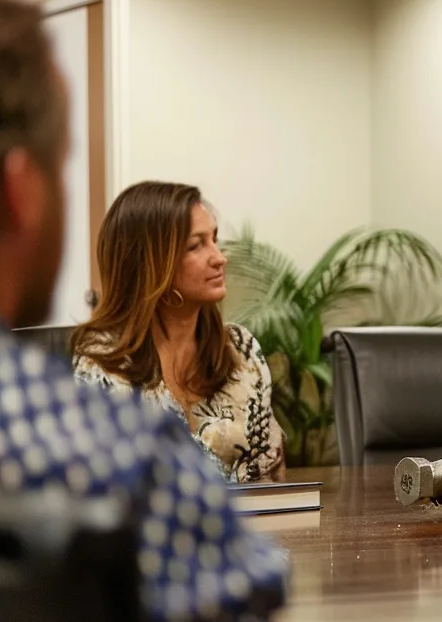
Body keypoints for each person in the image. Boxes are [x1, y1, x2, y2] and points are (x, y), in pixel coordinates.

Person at [0, 0, 286, 622]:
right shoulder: (128, 465)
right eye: (60, 163)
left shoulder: (236, 357)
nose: (217, 256)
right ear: (20, 192)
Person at [72, 181, 284, 483]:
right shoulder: (104, 364)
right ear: (150, 263)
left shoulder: (240, 349)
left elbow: (272, 476)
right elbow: (108, 486)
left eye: (214, 240)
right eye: (196, 246)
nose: (219, 257)